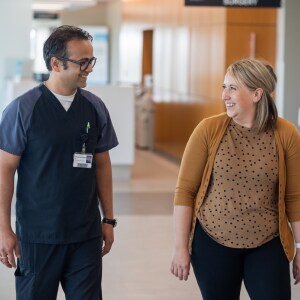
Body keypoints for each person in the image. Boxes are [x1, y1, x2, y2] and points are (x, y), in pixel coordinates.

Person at [0, 25, 118, 300]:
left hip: (85, 235)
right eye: (83, 62)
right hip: (39, 237)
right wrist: (4, 229)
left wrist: (108, 219)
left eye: (92, 60)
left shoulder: (95, 107)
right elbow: (4, 171)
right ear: (56, 63)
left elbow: (102, 164)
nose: (89, 67)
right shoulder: (23, 109)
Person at [170, 58, 300, 299]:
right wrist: (180, 248)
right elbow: (185, 191)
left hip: (268, 242)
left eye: (232, 88)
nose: (224, 95)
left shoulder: (286, 133)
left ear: (256, 94)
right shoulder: (209, 129)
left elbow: (295, 197)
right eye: (224, 87)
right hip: (212, 241)